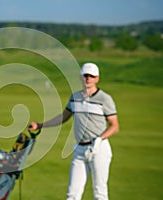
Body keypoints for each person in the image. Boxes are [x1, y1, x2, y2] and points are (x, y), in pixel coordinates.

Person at [29, 63, 119, 200]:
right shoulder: (75, 97)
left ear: (97, 79)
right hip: (79, 149)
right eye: (85, 75)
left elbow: (114, 126)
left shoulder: (104, 99)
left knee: (99, 192)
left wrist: (100, 139)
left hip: (99, 149)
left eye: (91, 76)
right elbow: (63, 117)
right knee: (72, 194)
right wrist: (40, 125)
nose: (88, 78)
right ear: (80, 77)